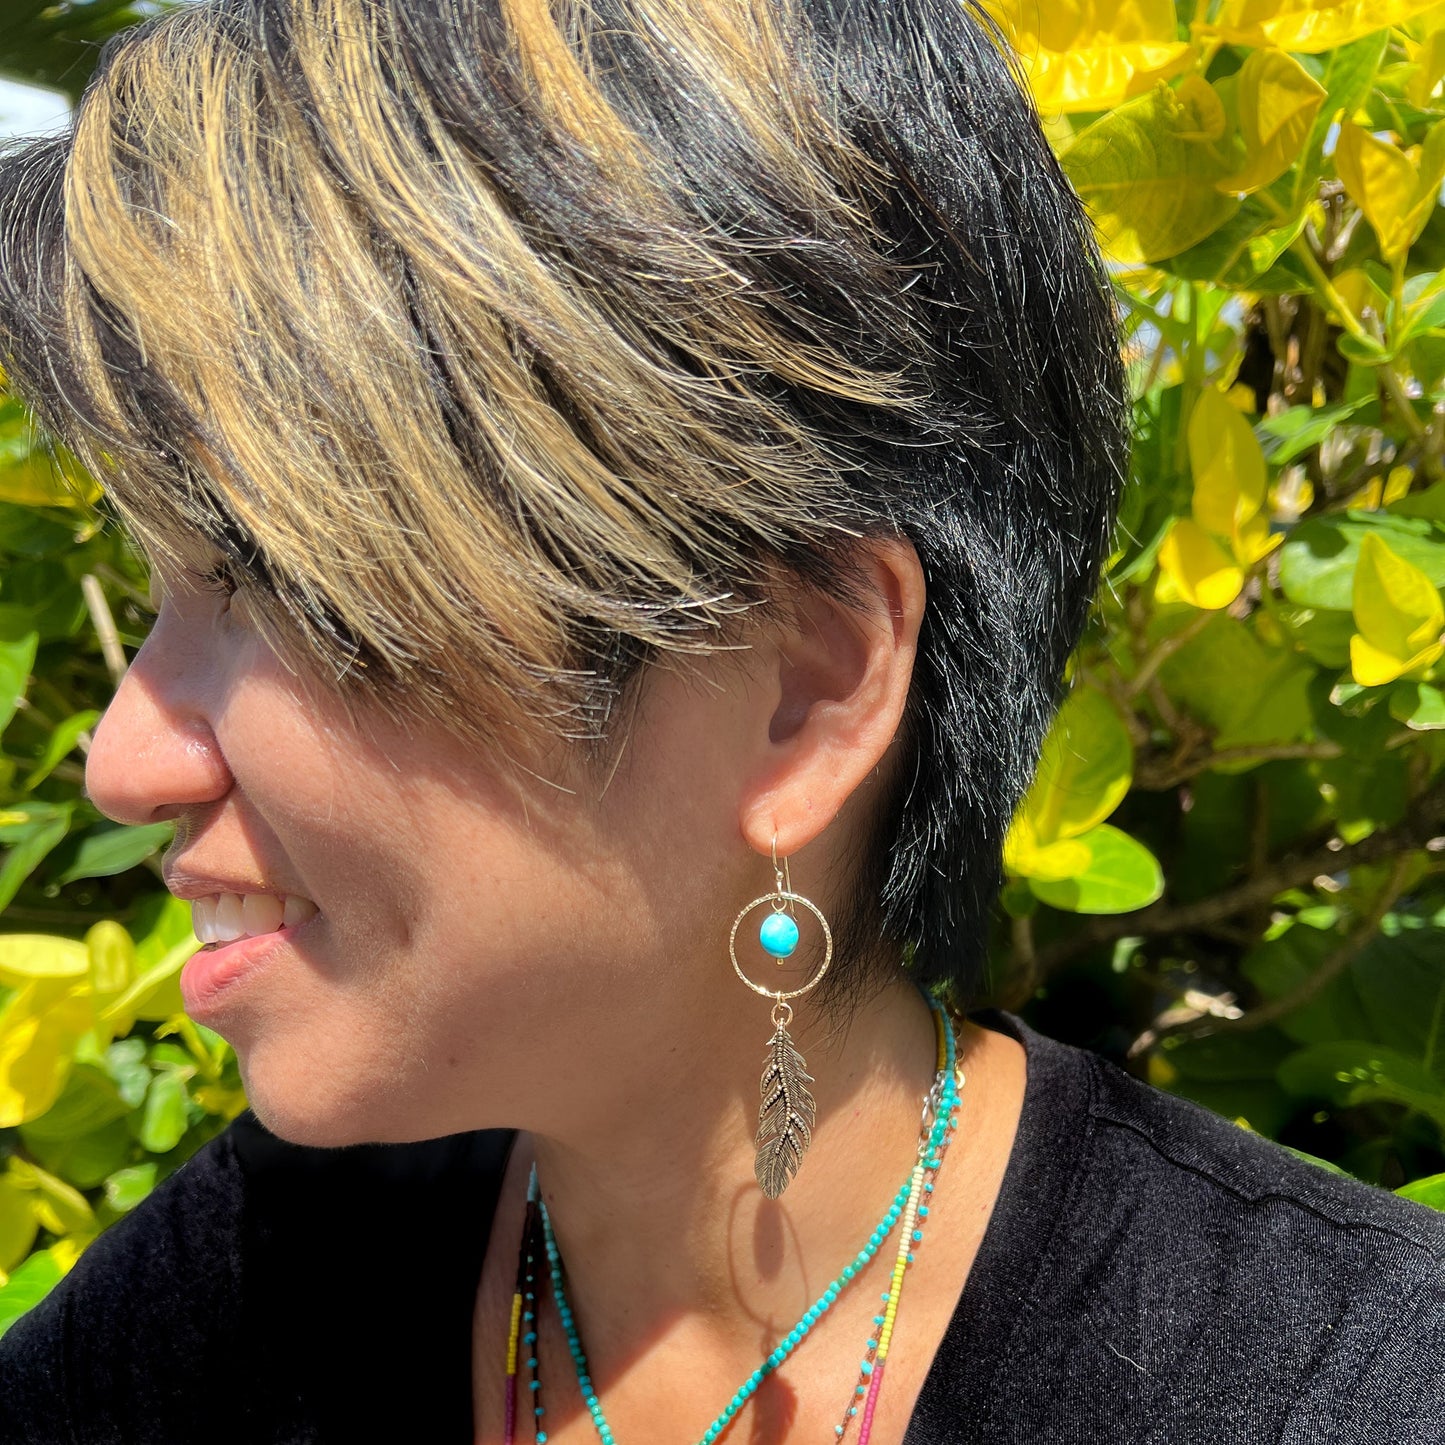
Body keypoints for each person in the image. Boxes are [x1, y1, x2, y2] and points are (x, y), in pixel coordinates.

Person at [0, 1, 1441, 1441]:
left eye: (282, 586)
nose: (124, 763)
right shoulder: (226, 1316)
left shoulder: (1340, 1393)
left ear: (802, 688)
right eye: (160, 587)